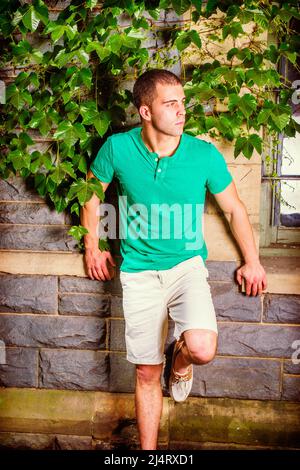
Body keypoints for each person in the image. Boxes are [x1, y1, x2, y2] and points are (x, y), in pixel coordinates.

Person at [81, 69, 267, 450]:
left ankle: (179, 364)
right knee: (147, 372)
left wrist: (253, 260)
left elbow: (233, 209)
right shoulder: (117, 148)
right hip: (138, 272)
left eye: (183, 102)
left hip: (187, 268)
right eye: (171, 104)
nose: (182, 111)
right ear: (146, 111)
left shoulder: (202, 154)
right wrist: (92, 245)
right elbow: (90, 194)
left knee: (201, 348)